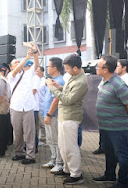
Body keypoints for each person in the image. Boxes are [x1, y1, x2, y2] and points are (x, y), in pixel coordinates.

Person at [92, 56, 128, 188]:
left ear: (105, 69)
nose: (96, 68)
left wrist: (127, 117)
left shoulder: (118, 84)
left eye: (98, 66)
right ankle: (110, 174)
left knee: (122, 155)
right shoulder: (105, 81)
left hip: (118, 128)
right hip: (106, 126)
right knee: (108, 151)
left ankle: (123, 182)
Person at [46, 54, 88, 185]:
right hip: (64, 116)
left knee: (71, 147)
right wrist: (58, 87)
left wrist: (52, 88)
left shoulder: (81, 81)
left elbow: (68, 99)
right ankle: (67, 169)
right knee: (62, 145)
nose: (67, 71)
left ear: (75, 68)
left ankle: (76, 174)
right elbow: (66, 91)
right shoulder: (73, 76)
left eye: (68, 68)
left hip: (71, 117)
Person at [8, 42, 39, 165]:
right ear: (11, 67)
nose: (17, 64)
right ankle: (19, 152)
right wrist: (26, 57)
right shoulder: (11, 75)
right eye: (15, 63)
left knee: (29, 132)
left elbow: (36, 65)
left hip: (28, 107)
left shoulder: (28, 74)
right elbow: (16, 71)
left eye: (18, 62)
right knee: (18, 132)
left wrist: (35, 53)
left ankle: (30, 155)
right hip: (15, 107)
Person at [42, 57, 65, 174]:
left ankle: (59, 163)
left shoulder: (59, 81)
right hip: (48, 114)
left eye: (48, 66)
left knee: (56, 140)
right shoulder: (52, 80)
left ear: (55, 68)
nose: (47, 68)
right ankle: (53, 159)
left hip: (53, 115)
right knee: (50, 139)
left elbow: (56, 100)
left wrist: (49, 115)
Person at [33, 66, 46, 148]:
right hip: (35, 105)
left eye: (38, 71)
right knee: (35, 124)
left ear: (42, 72)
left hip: (42, 105)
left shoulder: (44, 81)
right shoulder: (34, 80)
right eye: (35, 71)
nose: (36, 73)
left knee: (42, 124)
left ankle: (43, 140)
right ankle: (36, 139)